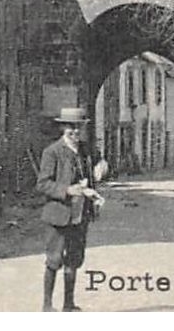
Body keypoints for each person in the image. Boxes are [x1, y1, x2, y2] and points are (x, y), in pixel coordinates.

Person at [36, 107, 107, 311]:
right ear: (62, 128)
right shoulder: (52, 152)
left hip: (80, 214)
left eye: (78, 127)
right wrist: (67, 189)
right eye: (71, 128)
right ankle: (47, 306)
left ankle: (68, 304)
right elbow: (42, 184)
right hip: (58, 214)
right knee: (54, 259)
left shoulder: (85, 150)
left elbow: (99, 163)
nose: (75, 132)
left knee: (74, 258)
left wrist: (101, 167)